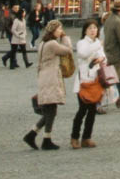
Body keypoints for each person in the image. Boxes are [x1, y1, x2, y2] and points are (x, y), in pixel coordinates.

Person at [24, 19, 72, 151]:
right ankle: (43, 138)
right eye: (59, 29)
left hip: (44, 77)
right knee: (50, 110)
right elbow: (67, 50)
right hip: (51, 77)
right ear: (53, 31)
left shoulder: (43, 43)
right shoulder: (52, 44)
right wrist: (65, 37)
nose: (61, 31)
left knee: (50, 110)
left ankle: (37, 135)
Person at [69, 18, 107, 149]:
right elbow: (83, 53)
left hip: (95, 80)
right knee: (82, 110)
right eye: (90, 28)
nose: (93, 31)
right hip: (83, 81)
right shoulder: (82, 43)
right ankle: (74, 137)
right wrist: (98, 45)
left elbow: (103, 56)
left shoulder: (96, 42)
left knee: (92, 111)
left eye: (95, 28)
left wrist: (101, 58)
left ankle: (86, 137)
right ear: (85, 30)